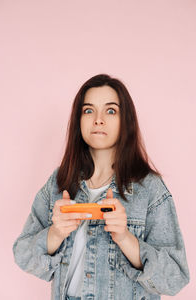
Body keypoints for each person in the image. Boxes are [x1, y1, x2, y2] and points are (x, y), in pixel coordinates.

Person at [13, 74, 190, 300]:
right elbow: (22, 255)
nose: (98, 119)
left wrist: (125, 237)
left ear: (125, 120)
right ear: (79, 119)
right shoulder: (60, 182)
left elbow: (175, 278)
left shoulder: (150, 189)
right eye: (88, 110)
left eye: (110, 110)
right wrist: (56, 233)